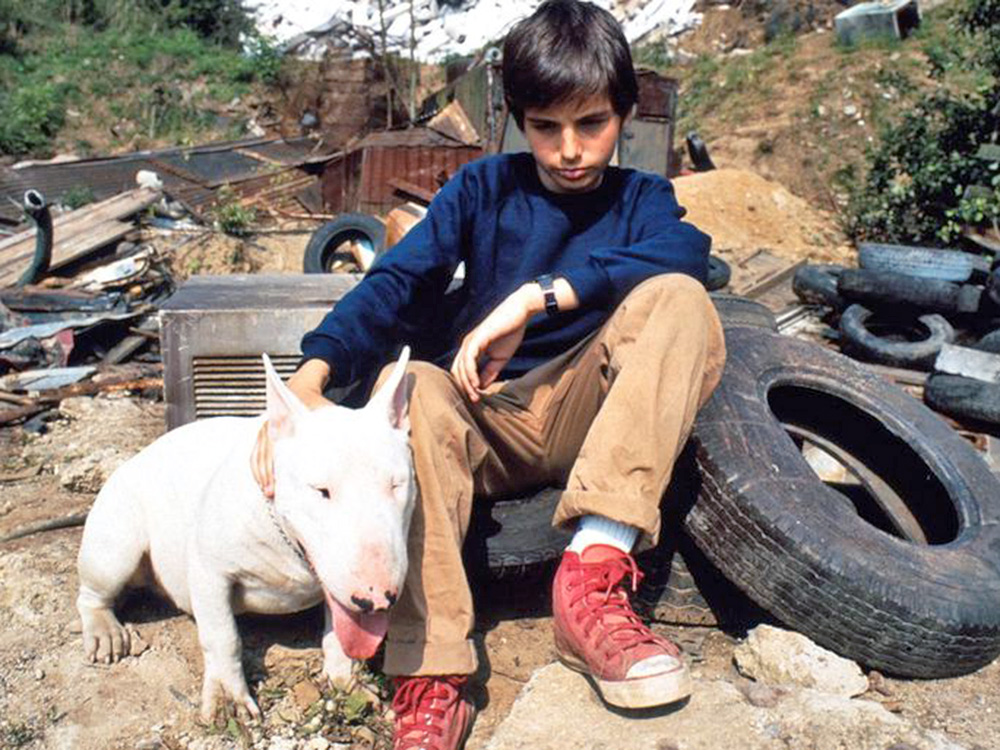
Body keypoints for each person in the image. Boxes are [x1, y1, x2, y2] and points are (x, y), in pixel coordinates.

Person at [251, 1, 726, 747]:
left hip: (592, 417)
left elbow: (689, 256)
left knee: (680, 298)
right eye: (546, 127)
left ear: (626, 115)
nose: (570, 149)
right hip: (480, 419)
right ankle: (431, 674)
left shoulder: (645, 200)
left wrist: (533, 301)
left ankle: (591, 576)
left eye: (592, 124)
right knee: (420, 387)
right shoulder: (483, 190)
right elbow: (395, 282)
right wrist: (312, 379)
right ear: (515, 119)